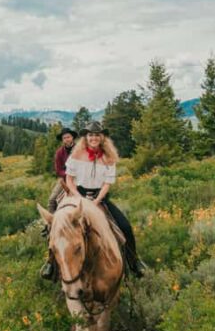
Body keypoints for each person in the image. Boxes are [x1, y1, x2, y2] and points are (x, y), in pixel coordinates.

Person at [64, 120, 146, 278]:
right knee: (57, 225)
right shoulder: (76, 155)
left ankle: (133, 261)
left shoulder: (109, 158)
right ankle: (51, 264)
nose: (93, 138)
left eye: (97, 135)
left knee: (125, 226)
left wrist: (96, 201)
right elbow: (69, 180)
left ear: (102, 138)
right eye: (90, 135)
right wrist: (80, 198)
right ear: (86, 137)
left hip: (99, 198)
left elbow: (107, 184)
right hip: (77, 196)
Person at [40, 127, 77, 279]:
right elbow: (58, 170)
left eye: (68, 137)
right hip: (64, 179)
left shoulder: (80, 149)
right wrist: (67, 175)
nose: (67, 139)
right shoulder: (60, 153)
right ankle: (51, 224)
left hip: (80, 179)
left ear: (72, 138)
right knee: (52, 199)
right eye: (64, 138)